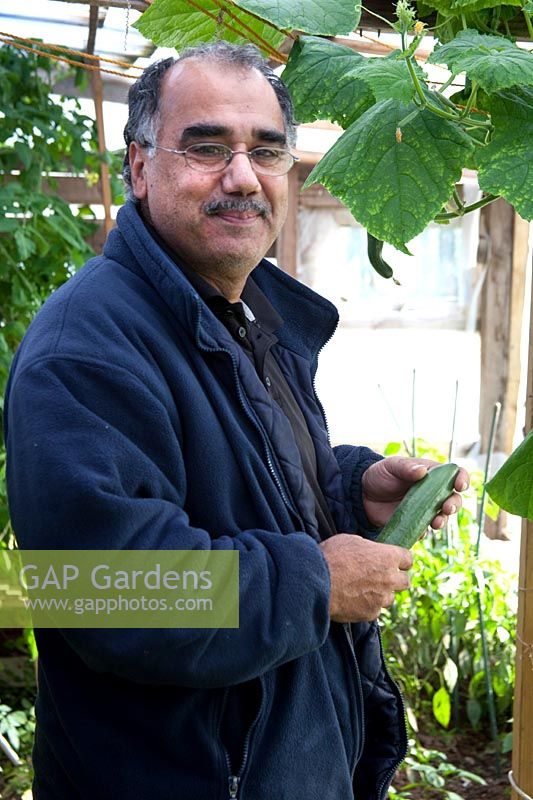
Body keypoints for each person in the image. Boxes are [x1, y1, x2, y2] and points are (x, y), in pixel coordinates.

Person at [4, 41, 468, 800]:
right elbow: (98, 588)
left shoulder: (241, 311)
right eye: (207, 147)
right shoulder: (86, 349)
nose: (242, 177)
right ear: (139, 167)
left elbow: (246, 486)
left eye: (267, 151)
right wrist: (312, 583)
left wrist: (354, 490)